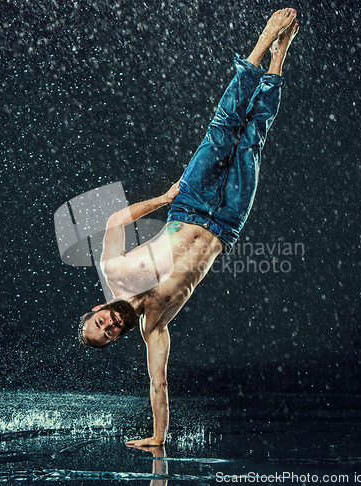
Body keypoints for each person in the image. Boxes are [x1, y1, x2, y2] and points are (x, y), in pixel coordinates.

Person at [80, 8, 299, 447]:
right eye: (107, 334)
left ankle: (263, 41)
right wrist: (158, 437)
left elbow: (114, 219)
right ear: (117, 337)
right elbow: (158, 386)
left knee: (222, 129)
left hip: (188, 206)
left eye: (99, 322)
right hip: (225, 224)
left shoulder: (115, 273)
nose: (108, 325)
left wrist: (162, 199)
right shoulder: (154, 327)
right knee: (253, 138)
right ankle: (280, 55)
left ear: (96, 310)